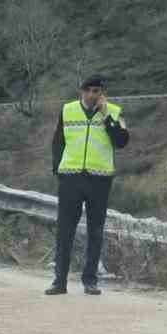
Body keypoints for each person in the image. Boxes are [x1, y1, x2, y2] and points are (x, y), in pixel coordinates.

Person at [46, 74, 130, 297]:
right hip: (71, 178)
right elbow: (58, 142)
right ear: (82, 91)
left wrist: (106, 116)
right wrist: (58, 171)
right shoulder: (67, 110)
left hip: (100, 179)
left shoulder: (114, 112)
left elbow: (121, 141)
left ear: (103, 93)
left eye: (98, 91)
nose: (94, 95)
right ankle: (59, 282)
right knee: (65, 231)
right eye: (90, 90)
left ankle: (90, 281)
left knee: (95, 231)